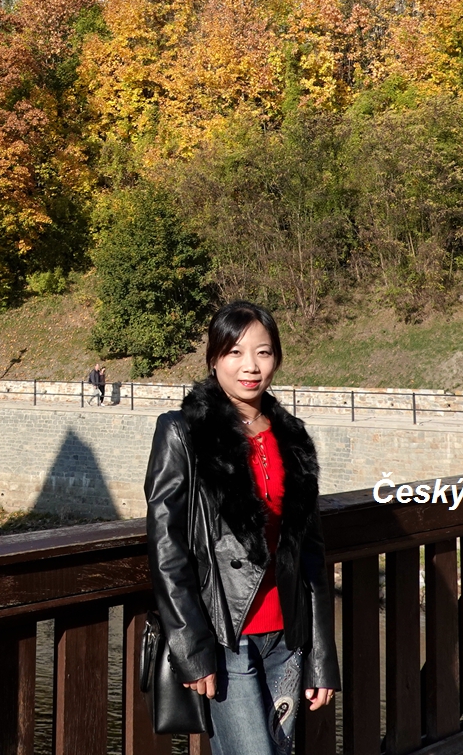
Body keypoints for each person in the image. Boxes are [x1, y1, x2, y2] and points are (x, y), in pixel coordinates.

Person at [145, 301, 338, 755]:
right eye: (235, 352)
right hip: (225, 636)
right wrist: (192, 649)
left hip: (286, 638)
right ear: (214, 360)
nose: (250, 366)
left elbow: (311, 551)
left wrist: (322, 659)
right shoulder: (182, 431)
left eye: (264, 353)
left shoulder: (292, 435)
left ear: (278, 359)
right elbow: (166, 546)